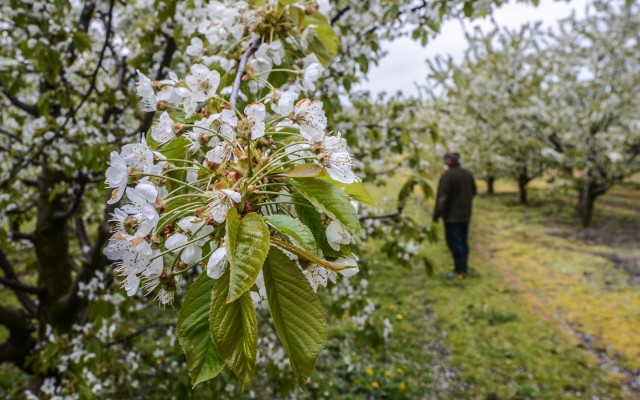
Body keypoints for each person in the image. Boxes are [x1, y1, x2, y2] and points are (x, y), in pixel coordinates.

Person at [432, 152, 477, 279]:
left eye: (445, 160)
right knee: (463, 241)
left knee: (454, 242)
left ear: (450, 161)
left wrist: (436, 215)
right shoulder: (468, 174)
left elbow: (442, 198)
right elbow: (473, 192)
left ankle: (459, 271)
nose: (444, 162)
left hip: (452, 217)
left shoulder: (447, 176)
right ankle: (464, 267)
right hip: (466, 214)